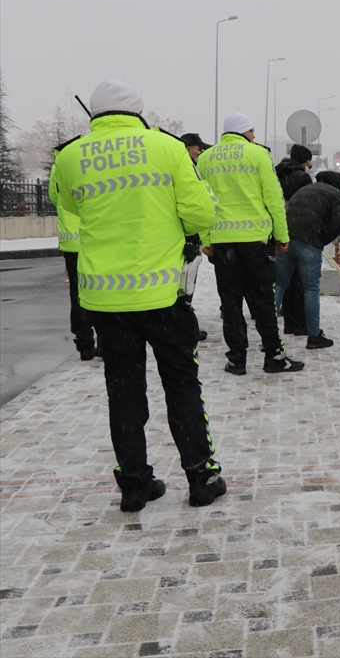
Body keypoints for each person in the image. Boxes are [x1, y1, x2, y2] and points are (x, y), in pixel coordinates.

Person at [52, 80, 224, 510]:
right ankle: (201, 477)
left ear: (95, 115)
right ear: (138, 112)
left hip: (105, 301)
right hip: (162, 293)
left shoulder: (71, 155)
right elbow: (202, 211)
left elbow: (68, 205)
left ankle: (134, 484)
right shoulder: (166, 148)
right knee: (182, 383)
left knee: (124, 391)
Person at [197, 112, 304, 376]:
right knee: (263, 302)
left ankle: (236, 360)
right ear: (244, 131)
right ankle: (274, 357)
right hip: (255, 243)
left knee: (231, 304)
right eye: (252, 131)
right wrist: (282, 235)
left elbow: (200, 202)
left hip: (223, 246)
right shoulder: (257, 154)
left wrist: (206, 240)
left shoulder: (206, 158)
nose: (254, 136)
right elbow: (274, 198)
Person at [276, 171, 340, 349]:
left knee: (279, 285)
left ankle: (268, 331)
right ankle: (314, 336)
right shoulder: (336, 195)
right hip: (308, 243)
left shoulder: (306, 189)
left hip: (286, 239)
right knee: (311, 289)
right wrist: (322, 238)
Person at [48, 138, 101, 360]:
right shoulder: (86, 162)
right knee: (101, 290)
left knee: (77, 294)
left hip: (71, 243)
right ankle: (107, 341)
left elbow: (53, 198)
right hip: (93, 238)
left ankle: (84, 344)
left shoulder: (58, 167)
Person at [275, 145, 314, 335]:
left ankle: (287, 322)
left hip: (279, 230)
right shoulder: (303, 178)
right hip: (299, 231)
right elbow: (309, 205)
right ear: (303, 161)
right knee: (302, 281)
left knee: (284, 280)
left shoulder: (277, 173)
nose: (311, 164)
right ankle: (301, 325)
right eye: (309, 161)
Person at [179, 133, 214, 342]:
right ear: (188, 148)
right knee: (184, 283)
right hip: (185, 235)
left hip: (185, 235)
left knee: (186, 282)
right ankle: (184, 327)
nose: (199, 152)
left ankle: (184, 325)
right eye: (197, 149)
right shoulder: (184, 169)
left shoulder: (189, 167)